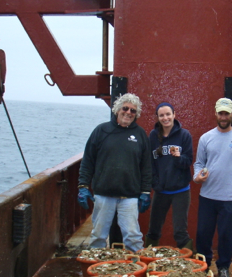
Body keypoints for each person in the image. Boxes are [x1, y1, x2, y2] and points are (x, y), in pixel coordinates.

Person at [77, 93, 152, 252]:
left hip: (130, 196)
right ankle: (94, 268)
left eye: (133, 110)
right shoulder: (101, 131)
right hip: (103, 195)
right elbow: (88, 161)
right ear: (117, 110)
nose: (128, 112)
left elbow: (146, 167)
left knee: (133, 236)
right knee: (98, 236)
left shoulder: (140, 134)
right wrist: (83, 186)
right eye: (125, 108)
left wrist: (145, 192)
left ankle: (137, 266)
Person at [193, 98, 232, 277]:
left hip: (231, 198)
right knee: (203, 234)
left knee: (227, 236)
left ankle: (224, 268)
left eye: (227, 113)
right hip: (208, 196)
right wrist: (197, 176)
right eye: (221, 113)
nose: (224, 116)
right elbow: (199, 163)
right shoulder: (206, 138)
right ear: (216, 113)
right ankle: (203, 266)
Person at [145, 102, 193, 250]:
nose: (165, 118)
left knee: (180, 232)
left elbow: (188, 161)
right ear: (158, 118)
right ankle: (149, 259)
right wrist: (155, 184)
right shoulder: (153, 136)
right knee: (153, 230)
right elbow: (150, 163)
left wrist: (178, 157)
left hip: (181, 191)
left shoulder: (184, 135)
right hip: (161, 191)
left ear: (174, 115)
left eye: (168, 114)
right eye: (161, 115)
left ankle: (189, 264)